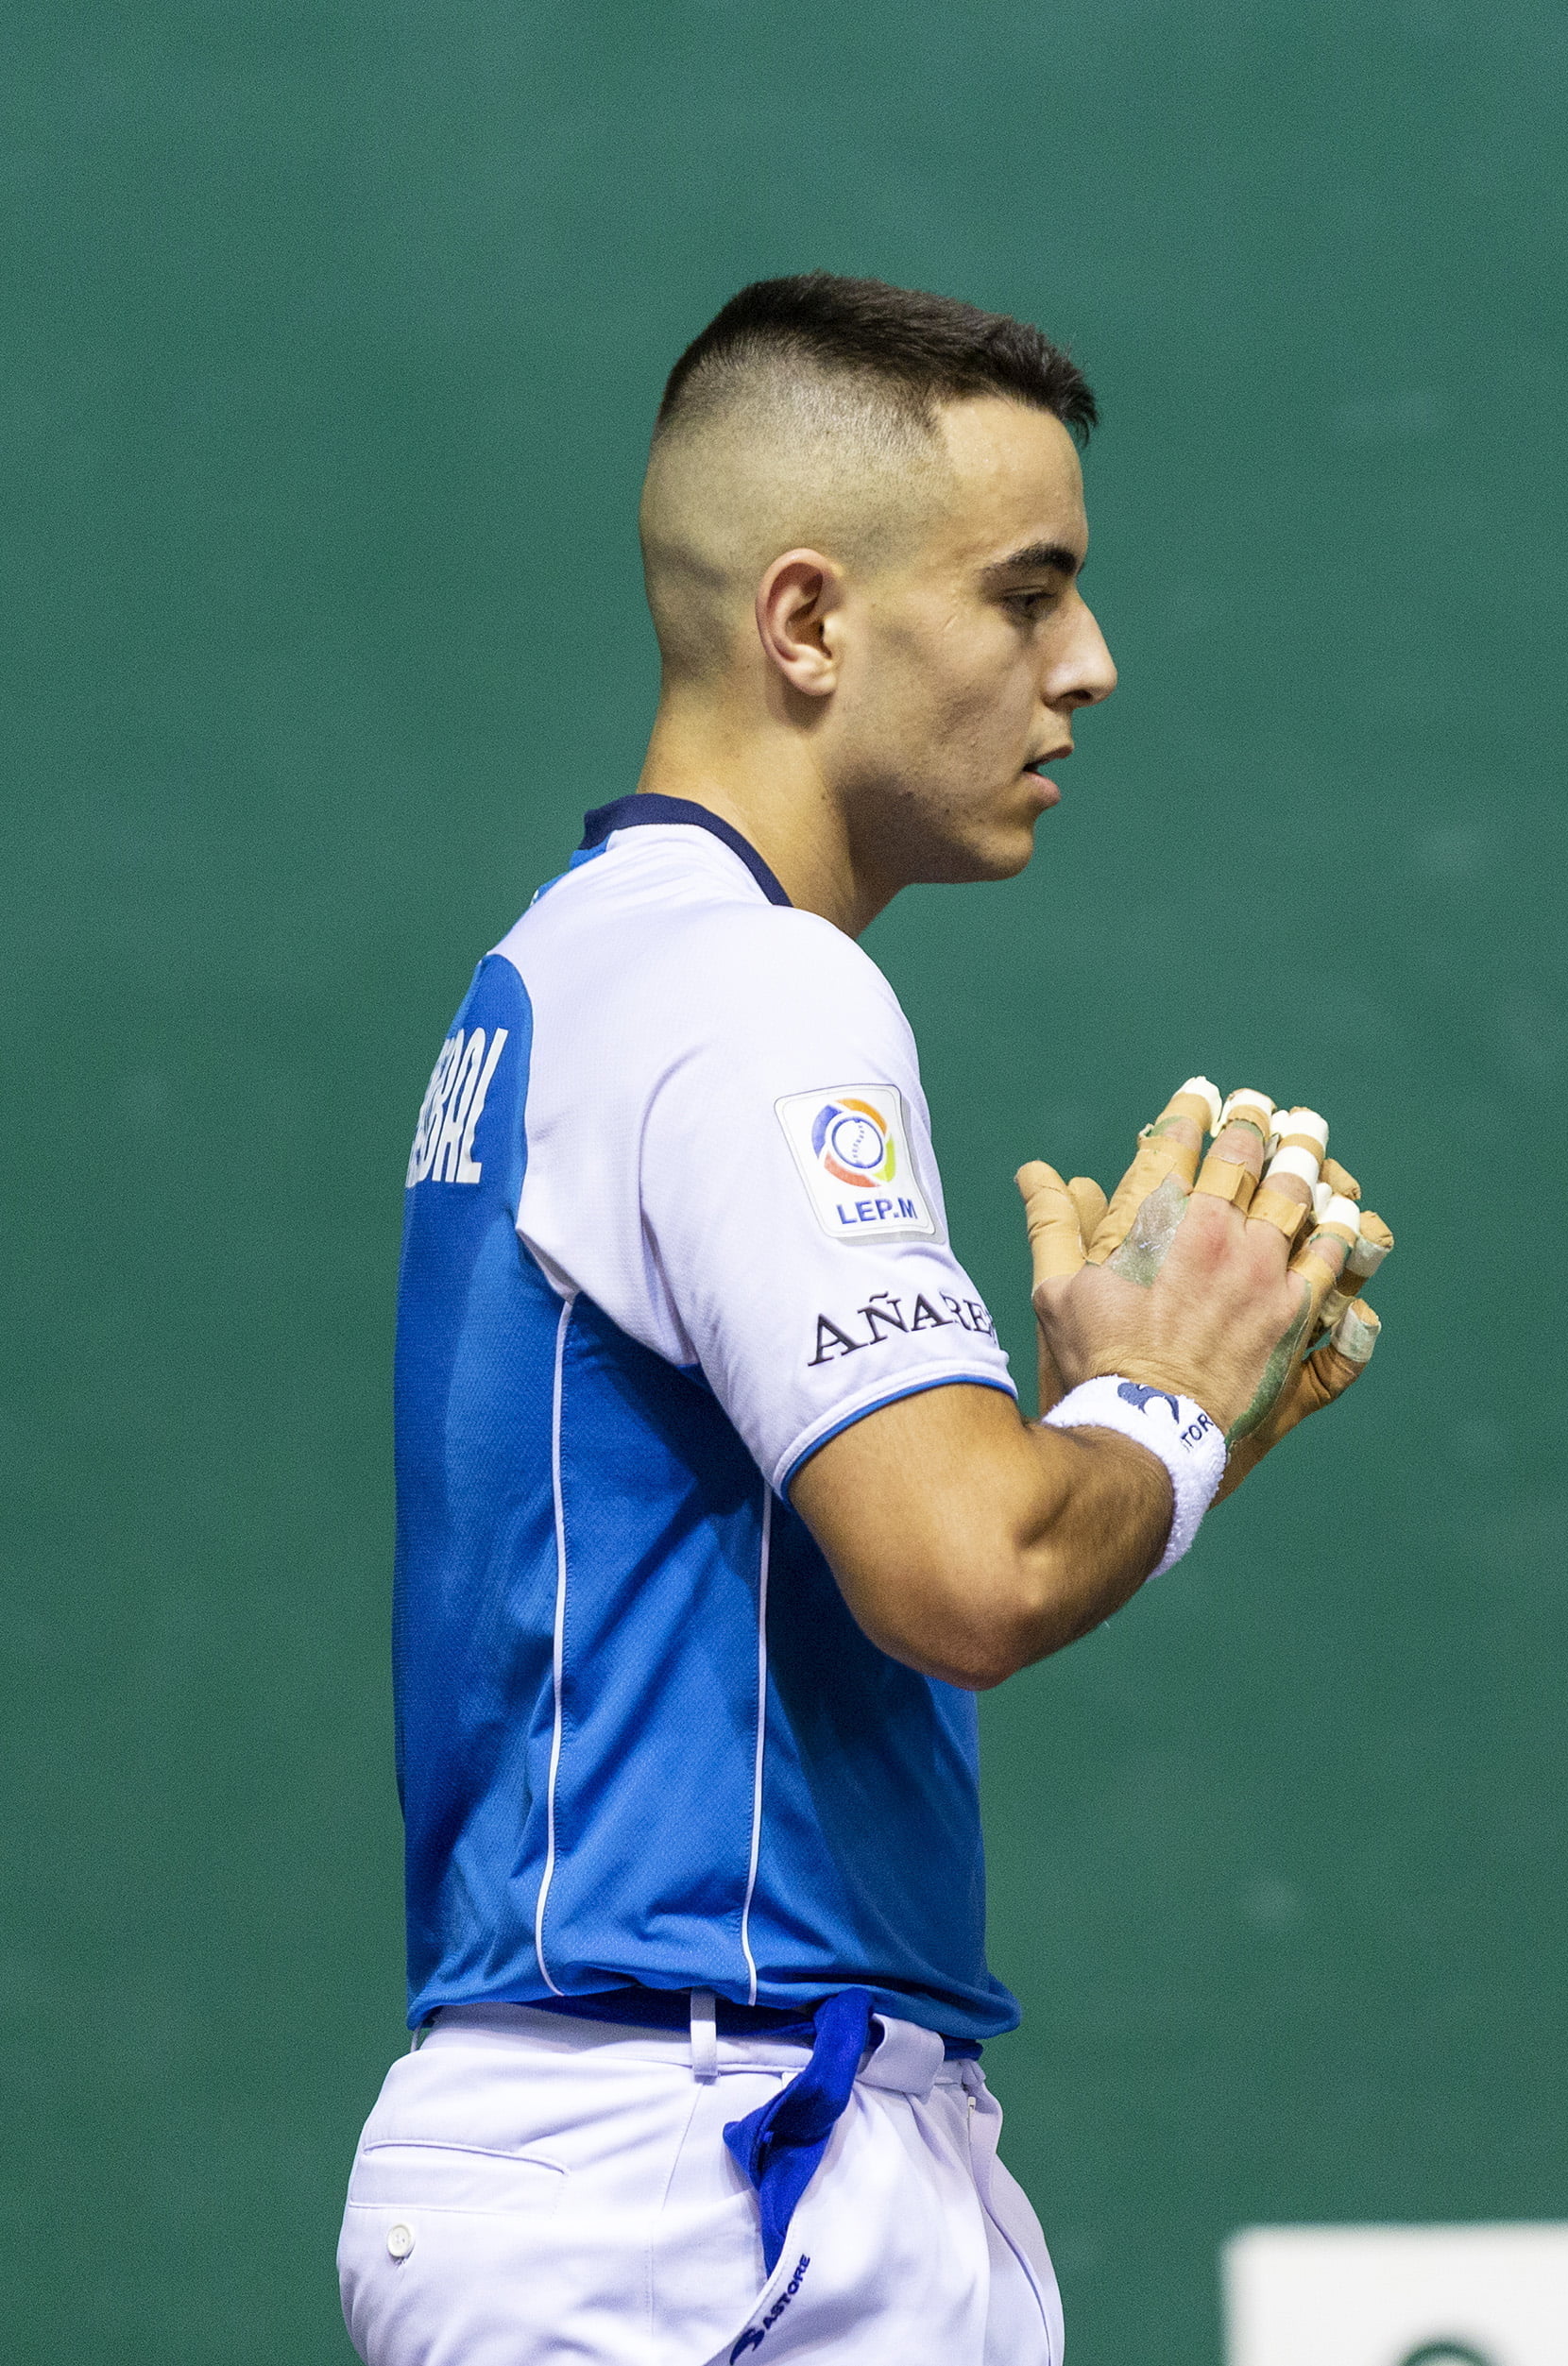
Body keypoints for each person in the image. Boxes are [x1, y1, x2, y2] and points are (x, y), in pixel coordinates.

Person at [337, 273, 1375, 2366]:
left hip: (683, 2148)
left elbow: (919, 1541)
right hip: (691, 2177)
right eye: (1024, 593)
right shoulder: (750, 987)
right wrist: (1164, 1412)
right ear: (806, 622)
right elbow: (966, 1570)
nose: (1085, 661)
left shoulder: (583, 959)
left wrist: (1129, 1436)